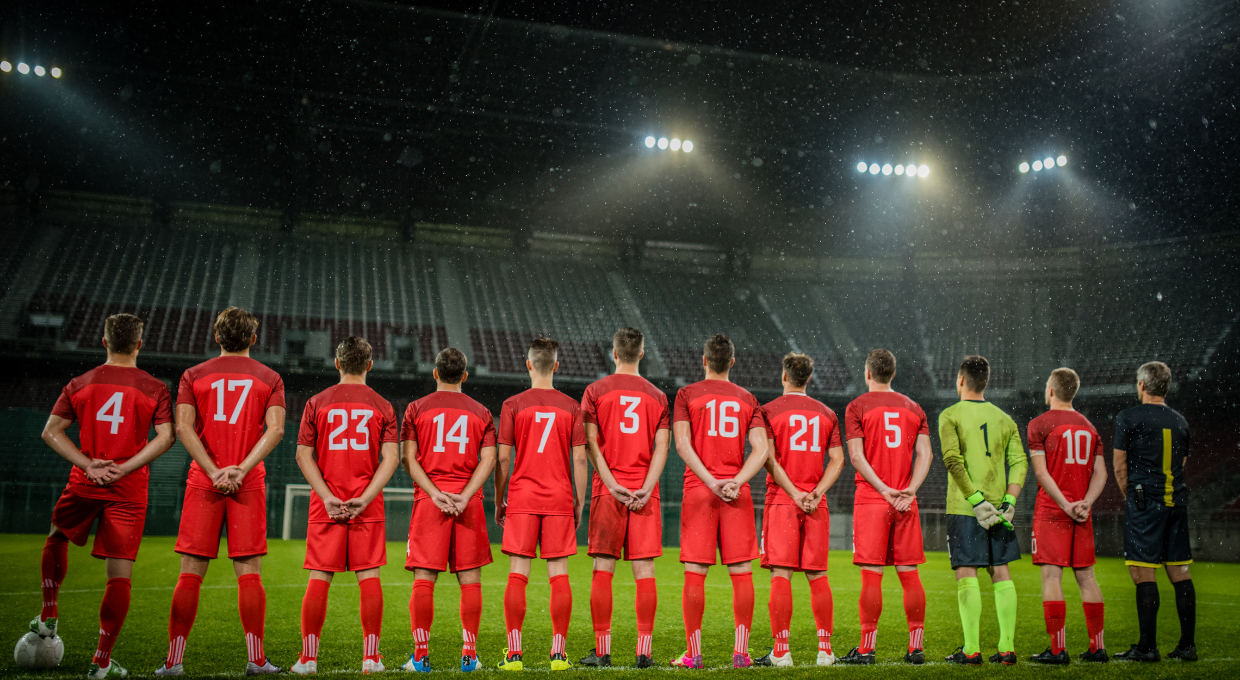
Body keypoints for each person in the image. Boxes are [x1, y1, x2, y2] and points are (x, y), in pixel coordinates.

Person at [34, 313, 175, 680]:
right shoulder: (154, 387)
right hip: (128, 488)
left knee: (57, 536)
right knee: (119, 577)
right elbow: (166, 438)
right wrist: (124, 468)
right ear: (140, 345)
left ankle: (49, 611)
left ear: (104, 342)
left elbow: (51, 432)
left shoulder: (80, 382)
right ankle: (101, 660)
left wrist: (88, 464)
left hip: (85, 481)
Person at [158, 307, 286, 676]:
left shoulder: (193, 375)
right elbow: (275, 431)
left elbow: (183, 428)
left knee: (190, 574)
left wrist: (214, 470)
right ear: (253, 339)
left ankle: (173, 662)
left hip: (204, 480)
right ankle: (256, 659)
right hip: (248, 482)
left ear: (216, 337)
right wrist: (241, 469)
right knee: (249, 573)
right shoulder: (270, 377)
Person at [291, 337, 400, 675]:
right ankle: (371, 658)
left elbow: (302, 455)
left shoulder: (316, 402)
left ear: (336, 363)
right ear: (369, 365)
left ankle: (308, 659)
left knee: (320, 577)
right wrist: (365, 498)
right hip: (365, 503)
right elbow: (392, 458)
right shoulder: (383, 405)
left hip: (328, 503)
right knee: (369, 577)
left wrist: (326, 496)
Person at [671, 334, 770, 669]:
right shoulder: (747, 398)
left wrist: (710, 481)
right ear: (732, 361)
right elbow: (761, 449)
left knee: (696, 572)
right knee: (741, 572)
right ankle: (741, 653)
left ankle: (694, 654)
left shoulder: (687, 394)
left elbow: (683, 445)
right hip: (735, 493)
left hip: (700, 490)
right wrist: (736, 481)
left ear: (703, 360)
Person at [401, 348, 499, 673]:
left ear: (435, 373)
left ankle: (421, 656)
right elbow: (489, 459)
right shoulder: (482, 412)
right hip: (468, 503)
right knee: (470, 580)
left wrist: (434, 493)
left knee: (424, 579)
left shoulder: (415, 408)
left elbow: (408, 459)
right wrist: (466, 495)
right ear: (465, 376)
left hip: (430, 501)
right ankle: (469, 657)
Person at [494, 337, 588, 671]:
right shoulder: (572, 406)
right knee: (558, 575)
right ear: (557, 366)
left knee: (518, 574)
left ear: (529, 364)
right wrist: (579, 502)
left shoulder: (513, 404)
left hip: (522, 497)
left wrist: (498, 499)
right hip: (559, 497)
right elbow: (579, 459)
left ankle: (515, 655)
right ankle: (559, 655)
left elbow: (503, 458)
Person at [578, 328, 670, 669]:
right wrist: (646, 486)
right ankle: (643, 652)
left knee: (604, 569)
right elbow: (663, 446)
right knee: (644, 571)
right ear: (642, 354)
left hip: (609, 490)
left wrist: (611, 483)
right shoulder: (658, 396)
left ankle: (602, 652)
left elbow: (591, 444)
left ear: (614, 353)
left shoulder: (595, 391)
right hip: (645, 491)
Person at [838, 349, 932, 666]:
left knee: (872, 576)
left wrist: (884, 490)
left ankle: (866, 649)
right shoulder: (913, 407)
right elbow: (926, 455)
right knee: (909, 574)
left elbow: (856, 457)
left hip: (872, 498)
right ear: (893, 374)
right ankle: (915, 648)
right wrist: (909, 490)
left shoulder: (857, 407)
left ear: (868, 373)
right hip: (906, 501)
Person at [753, 353, 845, 668]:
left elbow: (766, 457)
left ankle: (781, 652)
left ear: (784, 377)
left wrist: (794, 493)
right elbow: (838, 460)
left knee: (781, 574)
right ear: (808, 378)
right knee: (818, 575)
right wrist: (816, 492)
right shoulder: (827, 413)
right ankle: (825, 652)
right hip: (816, 502)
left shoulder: (767, 411)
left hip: (782, 499)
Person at [939, 355, 1028, 666]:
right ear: (986, 382)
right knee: (1001, 572)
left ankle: (972, 650)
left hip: (966, 507)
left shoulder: (950, 415)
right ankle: (1007, 649)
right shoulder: (1005, 419)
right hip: (1000, 509)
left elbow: (952, 460)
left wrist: (976, 500)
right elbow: (1019, 462)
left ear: (961, 380)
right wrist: (1009, 502)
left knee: (966, 571)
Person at [1112, 361, 1196, 663]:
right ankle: (1187, 646)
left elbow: (1120, 467)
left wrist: (1133, 497)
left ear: (1142, 385)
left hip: (1145, 502)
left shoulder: (1128, 417)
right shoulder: (1180, 420)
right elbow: (1181, 464)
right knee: (1180, 572)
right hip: (1177, 502)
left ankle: (1147, 647)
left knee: (1142, 572)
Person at [1027, 368, 1108, 664]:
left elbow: (1041, 473)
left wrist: (1065, 504)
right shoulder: (1090, 427)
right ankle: (1097, 647)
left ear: (1051, 391)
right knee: (1087, 578)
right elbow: (1101, 473)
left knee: (1051, 576)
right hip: (1081, 512)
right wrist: (1085, 502)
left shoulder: (1039, 424)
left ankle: (1058, 650)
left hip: (1053, 509)